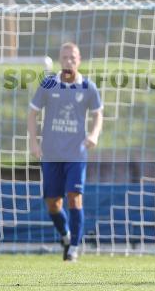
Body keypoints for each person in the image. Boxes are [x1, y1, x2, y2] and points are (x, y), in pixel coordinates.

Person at [28, 43, 103, 262]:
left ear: (79, 60)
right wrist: (33, 143)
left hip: (76, 153)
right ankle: (66, 235)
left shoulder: (88, 87)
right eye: (65, 57)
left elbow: (98, 114)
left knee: (74, 198)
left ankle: (74, 248)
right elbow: (32, 114)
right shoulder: (49, 84)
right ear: (60, 60)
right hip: (51, 153)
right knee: (53, 203)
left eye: (73, 57)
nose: (69, 60)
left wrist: (94, 134)